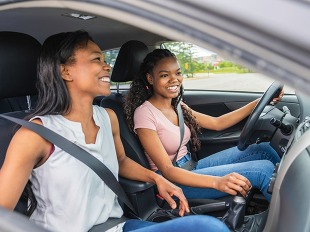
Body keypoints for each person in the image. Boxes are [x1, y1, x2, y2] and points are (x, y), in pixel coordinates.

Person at [0, 31, 230, 232]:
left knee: (210, 227)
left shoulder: (107, 117)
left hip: (116, 226)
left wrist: (157, 179)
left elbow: (120, 161)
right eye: (96, 59)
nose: (107, 65)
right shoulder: (35, 135)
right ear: (65, 72)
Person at [124, 49, 282, 202]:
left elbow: (217, 123)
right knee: (263, 170)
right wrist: (217, 182)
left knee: (264, 149)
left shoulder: (178, 105)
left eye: (178, 73)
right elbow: (168, 170)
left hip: (191, 166)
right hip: (174, 182)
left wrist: (261, 101)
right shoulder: (144, 114)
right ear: (150, 79)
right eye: (165, 75)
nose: (174, 79)